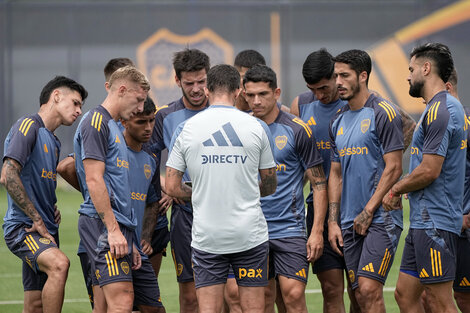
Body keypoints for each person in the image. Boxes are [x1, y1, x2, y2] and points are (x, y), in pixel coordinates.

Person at [165, 64, 277, 313]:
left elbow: (172, 186)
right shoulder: (258, 127)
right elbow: (270, 184)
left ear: (206, 89)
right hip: (250, 235)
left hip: (208, 237)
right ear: (238, 91)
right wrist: (243, 191)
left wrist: (202, 192)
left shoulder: (186, 129)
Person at [384, 43, 467, 313]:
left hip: (436, 222)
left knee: (441, 302)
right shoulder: (438, 108)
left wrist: (395, 189)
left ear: (426, 68)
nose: (408, 76)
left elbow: (430, 169)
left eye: (411, 69)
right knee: (404, 295)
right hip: (423, 220)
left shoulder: (441, 110)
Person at [243, 64, 328, 313]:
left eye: (263, 94)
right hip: (252, 229)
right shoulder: (240, 129)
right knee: (265, 297)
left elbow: (319, 183)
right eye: (250, 95)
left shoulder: (297, 129)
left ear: (277, 92)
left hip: (289, 228)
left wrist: (316, 232)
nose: (256, 101)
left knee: (293, 294)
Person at [2, 76, 88, 313]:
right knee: (60, 265)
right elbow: (8, 175)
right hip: (25, 228)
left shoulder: (54, 140)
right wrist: (36, 216)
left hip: (46, 229)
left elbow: (36, 180)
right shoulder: (28, 125)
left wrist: (49, 207)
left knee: (34, 305)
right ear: (56, 96)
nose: (80, 111)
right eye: (76, 103)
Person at [328, 49, 404, 313]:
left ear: (363, 75)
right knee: (358, 295)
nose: (338, 81)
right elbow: (335, 174)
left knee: (369, 289)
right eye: (336, 75)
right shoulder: (337, 121)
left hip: (380, 218)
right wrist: (333, 221)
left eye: (344, 75)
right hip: (348, 222)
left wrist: (368, 210)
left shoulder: (383, 112)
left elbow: (394, 168)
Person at [74, 65, 149, 312]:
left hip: (117, 227)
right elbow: (94, 180)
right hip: (102, 226)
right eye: (138, 100)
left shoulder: (115, 125)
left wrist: (130, 237)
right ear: (122, 90)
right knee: (123, 300)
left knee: (104, 306)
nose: (140, 108)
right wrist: (113, 230)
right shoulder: (96, 121)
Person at [292, 48, 360, 313]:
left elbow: (404, 131)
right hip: (318, 208)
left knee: (361, 292)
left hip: (356, 209)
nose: (320, 95)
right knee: (331, 289)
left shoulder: (357, 102)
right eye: (313, 89)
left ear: (336, 76)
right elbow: (301, 158)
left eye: (324, 87)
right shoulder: (301, 104)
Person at [149, 48, 210, 313]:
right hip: (186, 215)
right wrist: (166, 186)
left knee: (230, 293)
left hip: (223, 212)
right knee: (189, 296)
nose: (196, 89)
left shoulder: (224, 112)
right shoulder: (164, 116)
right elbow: (148, 161)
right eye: (189, 83)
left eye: (202, 81)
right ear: (177, 81)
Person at [234, 49, 290, 113]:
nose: (250, 83)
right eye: (245, 77)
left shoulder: (282, 113)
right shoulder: (224, 111)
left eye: (256, 78)